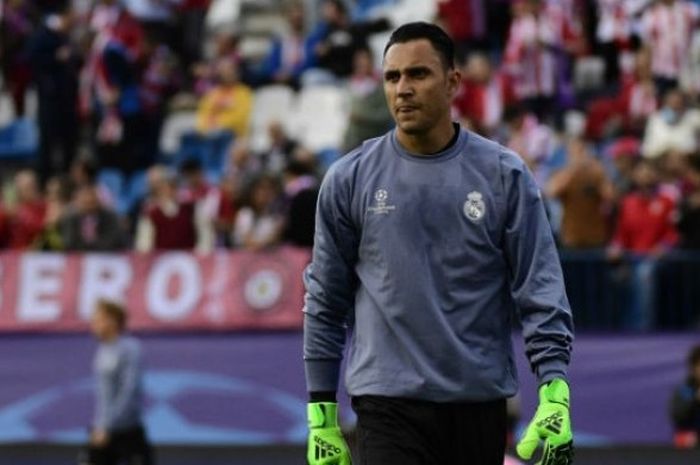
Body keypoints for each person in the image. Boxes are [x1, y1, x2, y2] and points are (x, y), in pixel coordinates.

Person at [303, 22, 574, 465]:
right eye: (392, 78)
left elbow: (539, 289)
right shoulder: (348, 179)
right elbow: (324, 300)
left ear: (452, 83)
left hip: (478, 405)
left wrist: (555, 387)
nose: (403, 89)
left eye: (418, 75)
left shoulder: (504, 175)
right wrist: (321, 411)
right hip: (386, 405)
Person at [86, 299, 153, 465]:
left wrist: (108, 426)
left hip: (128, 431)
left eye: (98, 319)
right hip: (104, 430)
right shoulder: (102, 351)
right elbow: (103, 397)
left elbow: (129, 392)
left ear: (112, 320)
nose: (93, 324)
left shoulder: (130, 349)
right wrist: (99, 425)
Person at [669, 344, 700, 447]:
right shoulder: (686, 390)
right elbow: (678, 416)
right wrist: (694, 399)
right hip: (689, 439)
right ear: (693, 368)